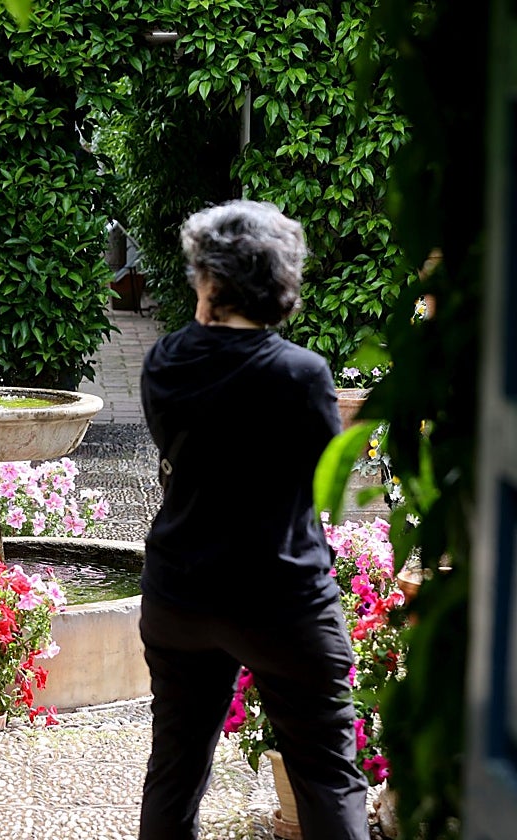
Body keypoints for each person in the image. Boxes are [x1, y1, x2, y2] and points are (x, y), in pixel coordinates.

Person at [137, 199, 369, 839]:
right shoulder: (301, 375)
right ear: (280, 282)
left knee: (176, 772)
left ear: (210, 280)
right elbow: (327, 480)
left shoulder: (163, 362)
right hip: (281, 598)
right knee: (326, 774)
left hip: (180, 595)